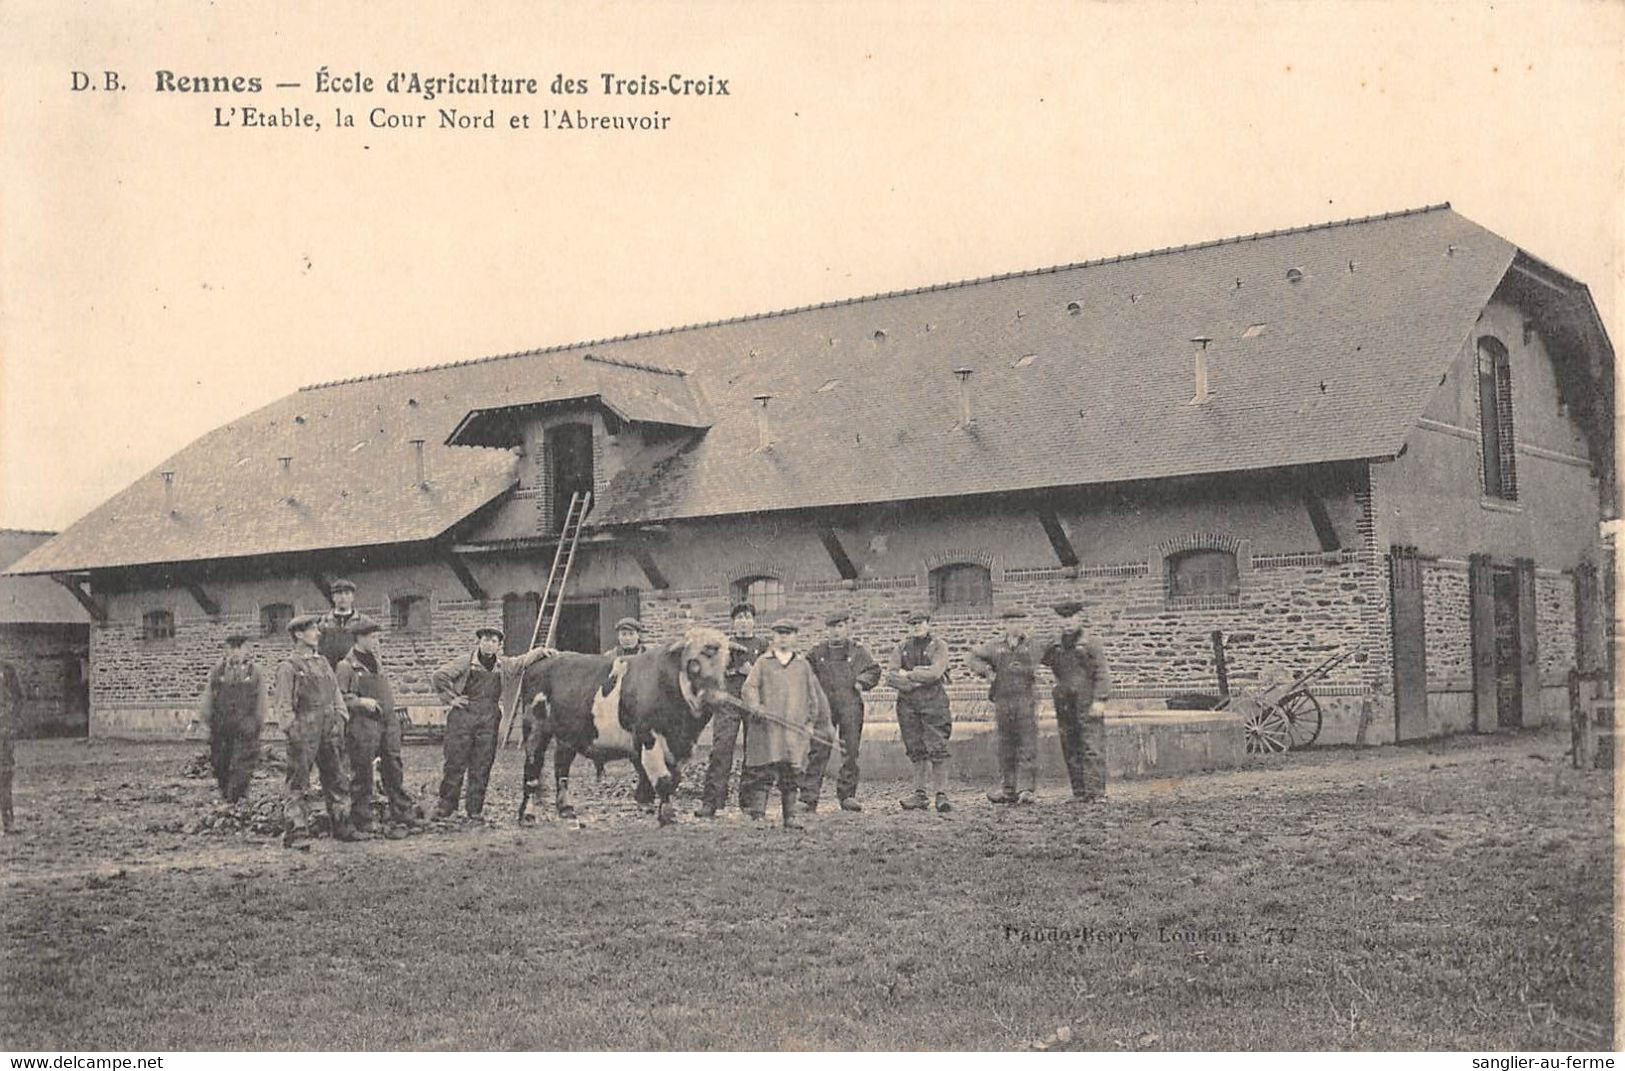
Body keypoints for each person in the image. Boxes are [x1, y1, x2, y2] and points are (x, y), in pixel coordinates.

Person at [431, 626, 553, 820]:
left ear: (499, 646)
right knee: (455, 762)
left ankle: (474, 809)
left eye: (494, 641)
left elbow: (521, 662)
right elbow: (439, 676)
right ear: (479, 642)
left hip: (489, 720)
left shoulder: (502, 665)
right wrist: (452, 699)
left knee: (482, 765)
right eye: (486, 640)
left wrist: (539, 652)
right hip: (462, 718)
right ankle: (446, 807)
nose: (489, 644)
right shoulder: (466, 662)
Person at [739, 618, 832, 830]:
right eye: (779, 633)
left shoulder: (802, 665)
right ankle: (758, 816)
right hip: (767, 728)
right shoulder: (763, 662)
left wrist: (810, 721)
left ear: (795, 637)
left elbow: (813, 696)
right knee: (762, 771)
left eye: (788, 633)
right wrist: (756, 705)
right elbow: (749, 687)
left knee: (791, 772)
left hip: (792, 729)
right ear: (774, 636)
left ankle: (789, 817)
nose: (783, 637)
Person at [273, 614, 357, 846]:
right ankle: (296, 830)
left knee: (337, 777)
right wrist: (291, 728)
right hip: (304, 728)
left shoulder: (323, 663)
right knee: (298, 781)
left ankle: (341, 824)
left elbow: (336, 692)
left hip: (329, 727)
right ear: (299, 635)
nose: (318, 633)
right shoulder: (288, 667)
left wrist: (341, 715)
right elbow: (282, 704)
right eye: (312, 630)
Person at [337, 620, 416, 833]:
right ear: (359, 638)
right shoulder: (346, 666)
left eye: (376, 637)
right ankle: (361, 817)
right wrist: (361, 702)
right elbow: (340, 698)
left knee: (393, 765)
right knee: (362, 770)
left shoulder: (376, 662)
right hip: (363, 724)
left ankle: (401, 812)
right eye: (372, 637)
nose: (376, 641)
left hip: (387, 721)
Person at [799, 610, 880, 812]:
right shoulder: (817, 652)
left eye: (840, 626)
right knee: (818, 750)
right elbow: (804, 673)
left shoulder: (857, 652)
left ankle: (847, 796)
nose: (836, 631)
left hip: (850, 706)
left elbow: (874, 670)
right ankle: (808, 797)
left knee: (850, 750)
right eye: (832, 627)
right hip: (824, 708)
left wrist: (862, 683)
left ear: (847, 627)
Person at [695, 601, 768, 818]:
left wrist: (752, 671)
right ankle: (712, 802)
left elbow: (770, 674)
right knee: (721, 749)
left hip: (753, 703)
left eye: (747, 618)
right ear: (733, 623)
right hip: (728, 703)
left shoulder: (763, 646)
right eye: (739, 618)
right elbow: (711, 671)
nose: (744, 622)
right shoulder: (723, 645)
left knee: (754, 751)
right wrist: (736, 670)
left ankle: (751, 803)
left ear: (753, 622)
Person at [1040, 600, 1113, 803]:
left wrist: (1100, 699)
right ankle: (1079, 792)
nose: (1067, 622)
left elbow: (1102, 672)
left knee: (1092, 745)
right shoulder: (1055, 645)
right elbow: (1039, 658)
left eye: (1071, 618)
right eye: (1063, 618)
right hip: (1064, 701)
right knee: (1070, 745)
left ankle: (1097, 792)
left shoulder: (1090, 643)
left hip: (1087, 700)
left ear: (1079, 618)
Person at [968, 609, 1039, 806]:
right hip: (1003, 701)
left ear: (1023, 624)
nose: (1014, 626)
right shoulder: (995, 647)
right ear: (1004, 625)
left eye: (1018, 621)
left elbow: (1048, 656)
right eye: (1010, 622)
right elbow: (973, 657)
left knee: (1027, 744)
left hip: (1025, 700)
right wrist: (987, 671)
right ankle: (1008, 790)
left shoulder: (1032, 646)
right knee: (1005, 746)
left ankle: (1026, 790)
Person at [887, 611, 954, 813]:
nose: (916, 626)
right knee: (915, 749)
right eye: (912, 623)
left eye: (920, 623)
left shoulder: (938, 645)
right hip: (908, 705)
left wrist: (909, 674)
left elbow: (936, 672)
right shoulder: (901, 647)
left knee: (938, 747)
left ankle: (941, 794)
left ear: (928, 624)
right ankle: (919, 794)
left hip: (934, 703)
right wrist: (918, 680)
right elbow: (891, 676)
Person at [194, 633, 268, 803]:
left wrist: (258, 723)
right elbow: (209, 696)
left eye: (239, 649)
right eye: (231, 649)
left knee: (242, 765)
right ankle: (227, 795)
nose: (235, 653)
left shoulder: (254, 672)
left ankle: (237, 799)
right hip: (222, 726)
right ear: (226, 650)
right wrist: (205, 720)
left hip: (245, 727)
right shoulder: (218, 671)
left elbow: (261, 700)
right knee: (220, 764)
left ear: (246, 650)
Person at [317, 578, 378, 669]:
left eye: (347, 593)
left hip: (356, 671)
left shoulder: (363, 621)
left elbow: (374, 650)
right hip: (330, 672)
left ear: (353, 597)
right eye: (339, 593)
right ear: (333, 597)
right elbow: (317, 651)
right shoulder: (323, 622)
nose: (343, 597)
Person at [0, 660, 21, 834]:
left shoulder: (7, 670)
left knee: (5, 777)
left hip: (3, 734)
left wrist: (10, 724)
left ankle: (8, 821)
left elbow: (18, 699)